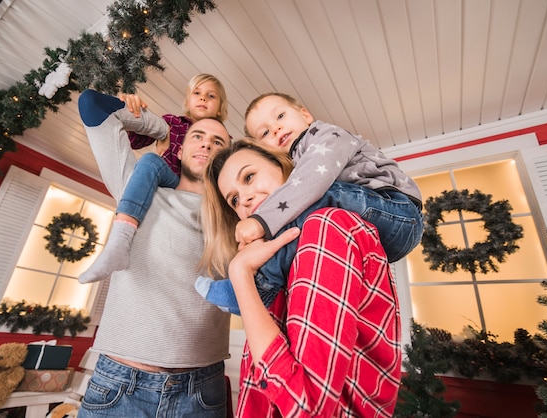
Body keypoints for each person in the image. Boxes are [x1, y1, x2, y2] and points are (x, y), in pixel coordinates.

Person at [201, 140, 402, 416]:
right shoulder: (276, 265)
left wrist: (240, 275)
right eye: (234, 199)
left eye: (249, 177)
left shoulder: (327, 227)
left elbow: (305, 407)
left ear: (285, 168)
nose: (244, 199)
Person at [76, 88, 232, 417]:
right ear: (182, 145)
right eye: (197, 136)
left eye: (218, 142)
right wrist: (145, 118)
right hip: (119, 386)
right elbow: (91, 106)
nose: (205, 144)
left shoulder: (236, 217)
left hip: (202, 391)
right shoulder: (137, 187)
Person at [196, 92, 423, 314]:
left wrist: (261, 221)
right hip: (376, 238)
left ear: (305, 115)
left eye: (280, 116)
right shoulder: (296, 166)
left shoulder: (326, 135)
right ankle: (254, 285)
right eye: (264, 132)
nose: (275, 128)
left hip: (398, 211)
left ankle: (258, 286)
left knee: (319, 197)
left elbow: (313, 180)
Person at [79, 73, 228, 283]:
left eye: (211, 96)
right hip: (165, 179)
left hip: (199, 191)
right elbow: (134, 138)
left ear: (221, 108)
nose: (203, 98)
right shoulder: (172, 123)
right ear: (187, 101)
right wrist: (130, 106)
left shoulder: (227, 142)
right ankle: (120, 239)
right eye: (197, 93)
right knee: (149, 161)